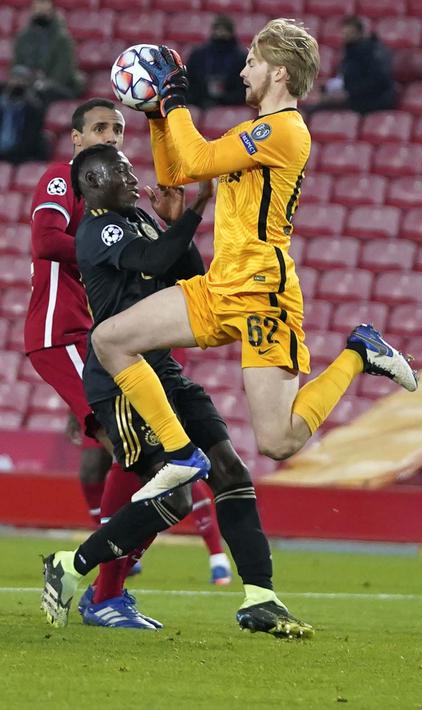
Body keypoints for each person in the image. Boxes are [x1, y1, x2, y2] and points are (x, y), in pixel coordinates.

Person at [84, 21, 417, 504]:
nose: (242, 72)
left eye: (252, 62)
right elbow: (180, 171)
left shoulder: (284, 130)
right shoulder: (253, 131)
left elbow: (198, 161)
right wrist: (158, 115)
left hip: (262, 291)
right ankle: (181, 454)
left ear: (279, 72)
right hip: (221, 284)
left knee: (278, 441)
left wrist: (175, 100)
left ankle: (360, 353)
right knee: (110, 340)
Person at [42, 143, 313, 637]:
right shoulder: (99, 228)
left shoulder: (139, 220)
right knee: (178, 496)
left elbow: (188, 274)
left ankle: (261, 596)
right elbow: (152, 258)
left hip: (161, 367)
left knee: (230, 470)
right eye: (120, 170)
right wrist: (194, 210)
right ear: (93, 183)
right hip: (123, 380)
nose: (132, 177)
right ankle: (72, 566)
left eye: (130, 168)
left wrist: (171, 222)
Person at [23, 98, 230, 603]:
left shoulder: (124, 211)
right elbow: (46, 240)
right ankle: (106, 584)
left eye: (117, 129)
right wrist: (103, 253)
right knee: (147, 459)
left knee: (138, 458)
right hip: (64, 331)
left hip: (100, 340)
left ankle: (108, 575)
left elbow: (173, 266)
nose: (111, 136)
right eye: (99, 128)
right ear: (76, 138)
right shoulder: (63, 178)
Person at [312, 15, 396, 115]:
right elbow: (346, 78)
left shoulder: (373, 52)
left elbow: (378, 81)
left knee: (316, 109)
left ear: (359, 33)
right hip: (355, 96)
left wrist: (348, 94)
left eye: (348, 33)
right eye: (343, 33)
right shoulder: (351, 51)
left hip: (374, 100)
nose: (344, 36)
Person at [11, 0, 84, 102]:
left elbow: (62, 73)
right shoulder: (23, 38)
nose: (41, 13)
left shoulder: (62, 39)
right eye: (38, 10)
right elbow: (16, 64)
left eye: (45, 10)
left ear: (52, 12)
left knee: (37, 94)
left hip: (57, 87)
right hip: (30, 85)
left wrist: (39, 83)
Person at [186, 15, 248, 108]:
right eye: (218, 29)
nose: (221, 33)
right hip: (201, 103)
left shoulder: (241, 57)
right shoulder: (198, 55)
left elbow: (243, 89)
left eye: (224, 30)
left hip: (233, 105)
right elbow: (189, 82)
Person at [0, 66, 50, 163]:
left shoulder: (34, 110)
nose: (16, 83)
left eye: (21, 80)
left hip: (21, 157)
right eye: (13, 79)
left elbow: (28, 143)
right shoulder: (3, 104)